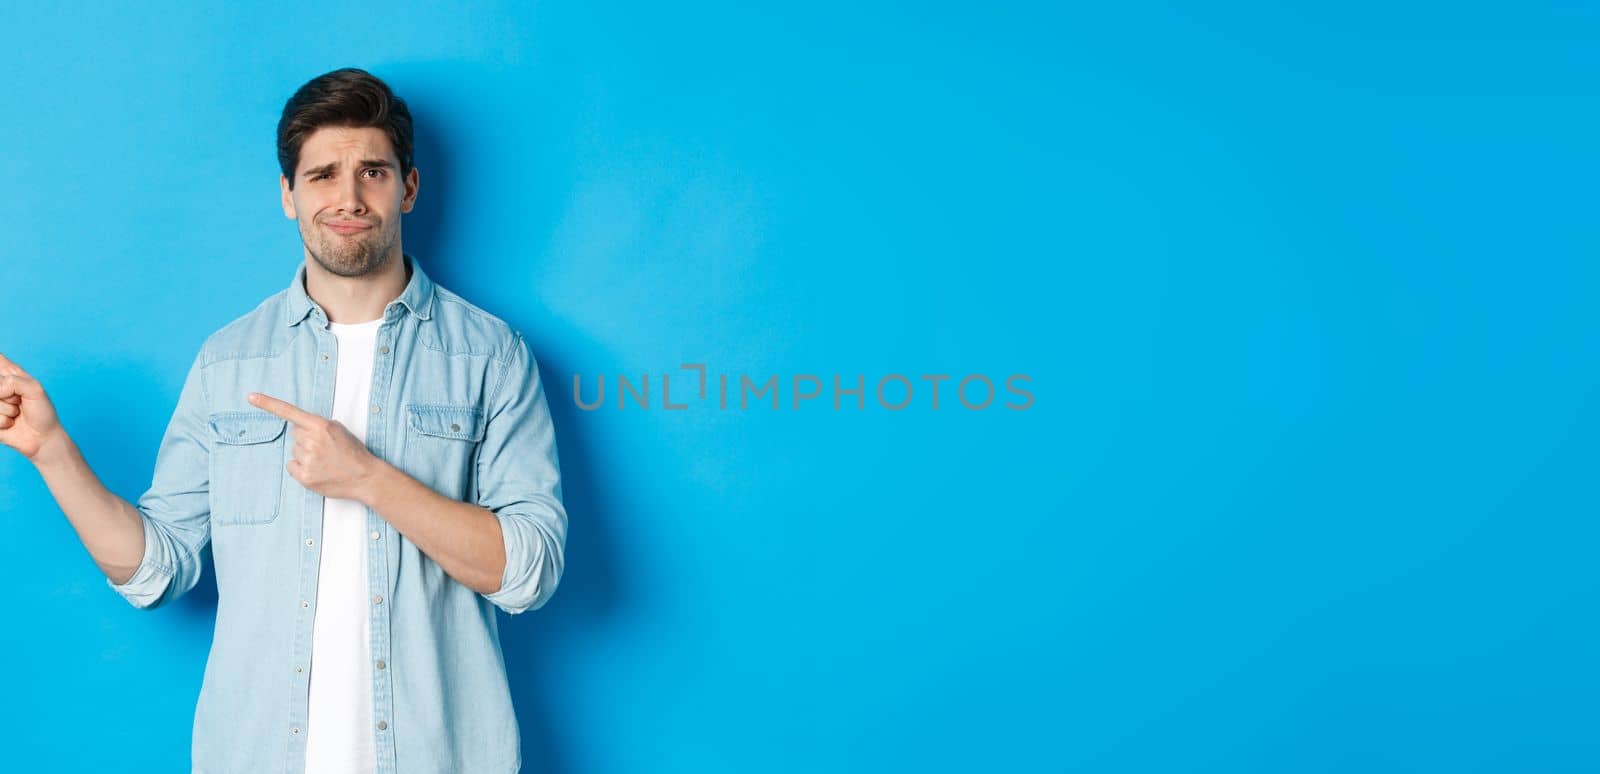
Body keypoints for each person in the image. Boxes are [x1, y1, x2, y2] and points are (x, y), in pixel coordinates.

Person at [0, 67, 566, 774]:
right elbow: (156, 570)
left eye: (373, 172)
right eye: (323, 175)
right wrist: (51, 450)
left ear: (408, 188)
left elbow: (530, 570)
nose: (349, 197)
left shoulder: (490, 355)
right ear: (288, 196)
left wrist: (368, 478)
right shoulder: (230, 362)